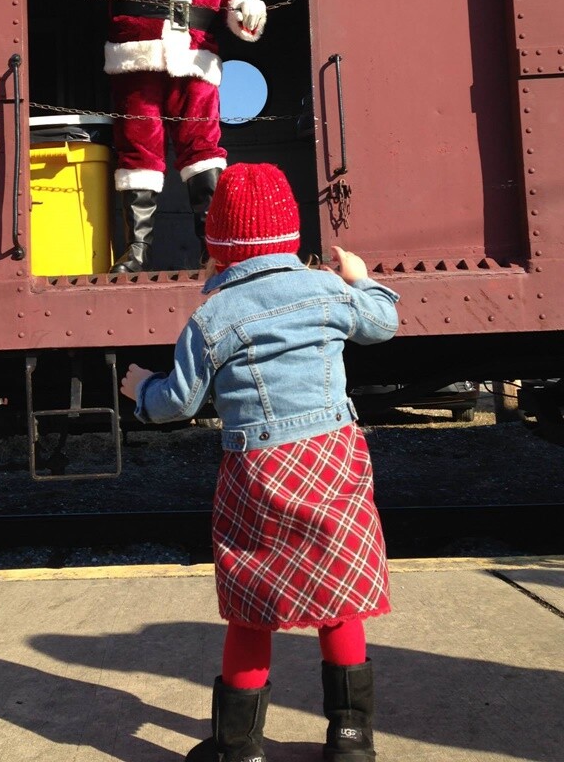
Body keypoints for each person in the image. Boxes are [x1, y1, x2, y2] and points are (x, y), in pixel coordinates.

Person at [120, 163, 400, 762]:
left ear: (218, 245)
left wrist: (141, 388)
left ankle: (238, 747)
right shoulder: (328, 289)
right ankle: (351, 741)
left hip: (259, 474)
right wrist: (363, 279)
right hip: (334, 461)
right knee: (340, 599)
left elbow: (178, 404)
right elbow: (383, 323)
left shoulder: (212, 318)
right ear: (290, 236)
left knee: (252, 606)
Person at [80, 0, 267, 272]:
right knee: (137, 148)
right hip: (137, 53)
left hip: (197, 55)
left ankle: (212, 249)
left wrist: (245, 10)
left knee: (203, 148)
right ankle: (137, 252)